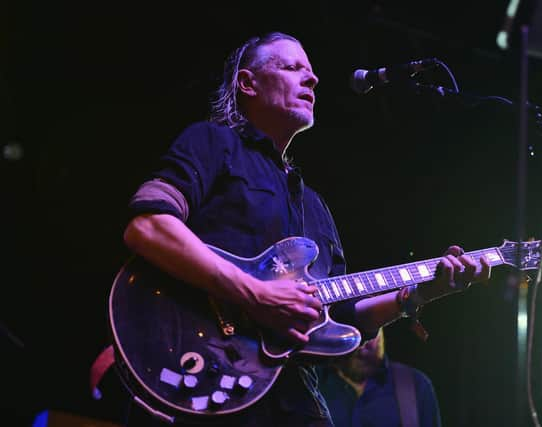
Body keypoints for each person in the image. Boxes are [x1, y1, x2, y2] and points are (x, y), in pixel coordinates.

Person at [120, 31, 491, 426]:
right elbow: (148, 226)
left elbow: (344, 317)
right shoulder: (214, 144)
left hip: (290, 391)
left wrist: (421, 293)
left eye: (311, 72)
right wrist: (257, 295)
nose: (312, 79)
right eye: (293, 67)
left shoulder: (314, 206)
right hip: (203, 371)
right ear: (248, 83)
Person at [319, 328, 441, 427]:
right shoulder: (313, 384)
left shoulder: (415, 384)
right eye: (354, 330)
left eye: (369, 332)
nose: (362, 345)